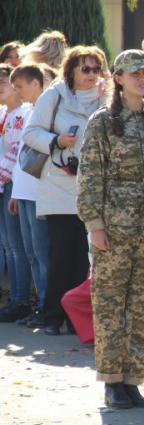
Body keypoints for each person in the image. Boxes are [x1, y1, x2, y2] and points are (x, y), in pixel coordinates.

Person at [77, 49, 144, 409]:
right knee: (109, 303)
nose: (142, 79)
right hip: (114, 228)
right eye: (134, 73)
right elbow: (89, 176)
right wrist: (95, 223)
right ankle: (111, 380)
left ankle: (134, 378)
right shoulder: (102, 122)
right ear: (117, 78)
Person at [23, 45, 107, 335]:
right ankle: (52, 316)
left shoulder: (107, 97)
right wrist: (58, 140)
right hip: (60, 184)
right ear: (71, 70)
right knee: (62, 253)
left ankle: (78, 317)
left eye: (96, 68)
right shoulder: (55, 95)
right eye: (85, 68)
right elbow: (31, 133)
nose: (92, 75)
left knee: (89, 256)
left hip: (97, 187)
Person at [5, 65, 51, 327]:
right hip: (22, 191)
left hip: (38, 193)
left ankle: (46, 306)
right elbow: (23, 153)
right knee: (31, 253)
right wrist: (16, 192)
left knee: (42, 252)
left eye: (20, 86)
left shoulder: (44, 111)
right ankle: (39, 305)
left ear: (35, 83)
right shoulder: (30, 111)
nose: (17, 92)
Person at [0, 64, 33, 322]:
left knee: (16, 245)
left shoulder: (23, 114)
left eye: (2, 84)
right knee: (8, 244)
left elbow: (18, 150)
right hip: (3, 181)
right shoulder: (3, 113)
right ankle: (14, 298)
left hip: (11, 182)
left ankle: (21, 299)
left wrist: (3, 174)